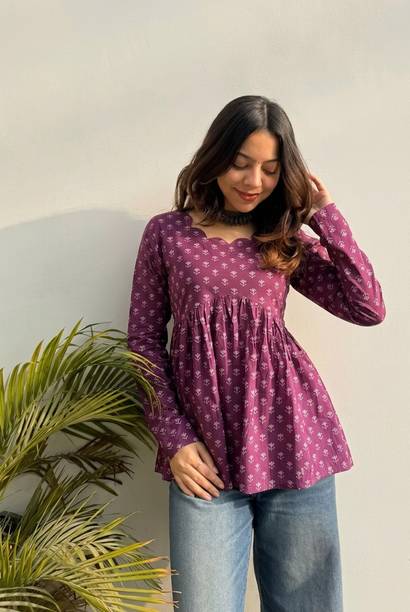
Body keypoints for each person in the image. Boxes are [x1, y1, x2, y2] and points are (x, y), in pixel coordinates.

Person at [127, 95, 386, 612]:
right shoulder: (167, 234)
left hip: (296, 444)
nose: (254, 181)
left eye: (270, 169)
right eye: (241, 163)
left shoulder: (282, 237)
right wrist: (175, 439)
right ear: (216, 157)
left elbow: (367, 307)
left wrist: (325, 217)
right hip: (205, 459)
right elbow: (143, 343)